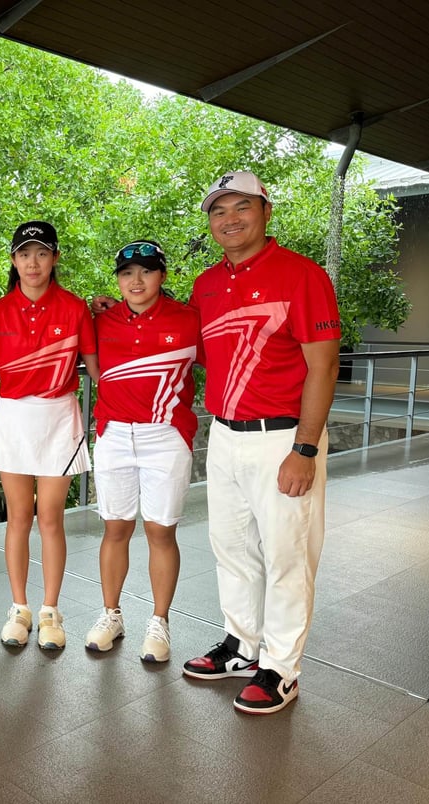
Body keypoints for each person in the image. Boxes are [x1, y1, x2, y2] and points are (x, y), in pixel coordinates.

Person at [181, 171, 340, 714]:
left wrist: (306, 448)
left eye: (241, 206)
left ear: (265, 211)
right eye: (219, 210)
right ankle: (241, 647)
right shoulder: (206, 284)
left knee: (288, 557)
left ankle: (281, 668)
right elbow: (189, 343)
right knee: (231, 550)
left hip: (283, 440)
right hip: (223, 434)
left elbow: (324, 366)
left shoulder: (302, 274)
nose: (230, 218)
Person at [0, 220, 98, 650]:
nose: (33, 262)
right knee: (18, 517)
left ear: (55, 259)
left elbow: (96, 367)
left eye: (42, 253)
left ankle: (50, 610)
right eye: (25, 254)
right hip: (14, 417)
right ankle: (19, 609)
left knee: (50, 518)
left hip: (60, 419)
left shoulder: (75, 308)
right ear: (13, 260)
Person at [85, 240, 199, 663]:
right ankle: (111, 615)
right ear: (117, 279)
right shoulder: (102, 319)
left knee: (160, 531)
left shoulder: (190, 321)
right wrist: (97, 306)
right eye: (127, 272)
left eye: (146, 271)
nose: (136, 280)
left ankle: (159, 622)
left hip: (165, 437)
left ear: (162, 276)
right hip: (114, 435)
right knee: (115, 528)